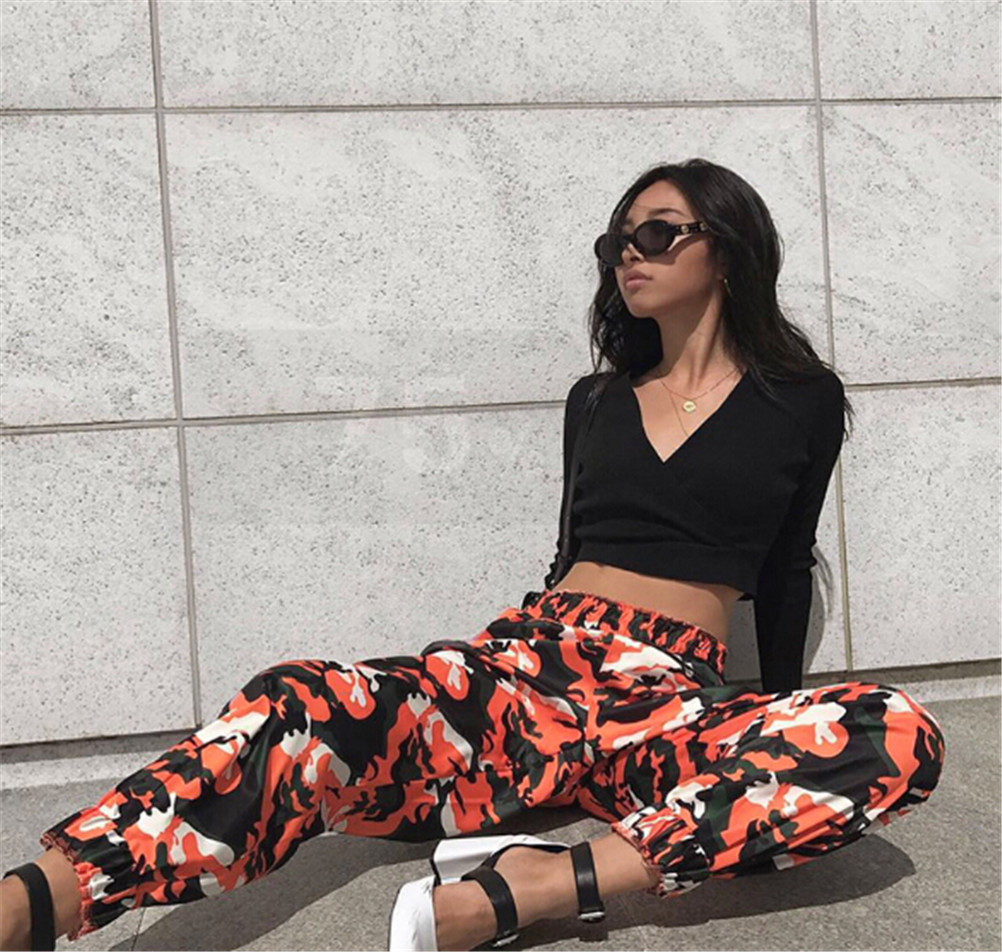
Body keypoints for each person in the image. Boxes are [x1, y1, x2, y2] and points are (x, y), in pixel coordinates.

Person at [0, 160, 946, 952]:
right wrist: (519, 665)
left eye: (657, 234)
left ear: (728, 250)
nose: (629, 253)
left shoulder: (801, 399)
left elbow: (784, 569)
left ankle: (537, 884)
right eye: (616, 241)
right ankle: (34, 903)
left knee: (897, 731)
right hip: (532, 672)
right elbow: (570, 550)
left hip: (667, 702)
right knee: (304, 701)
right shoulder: (596, 401)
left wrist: (771, 717)